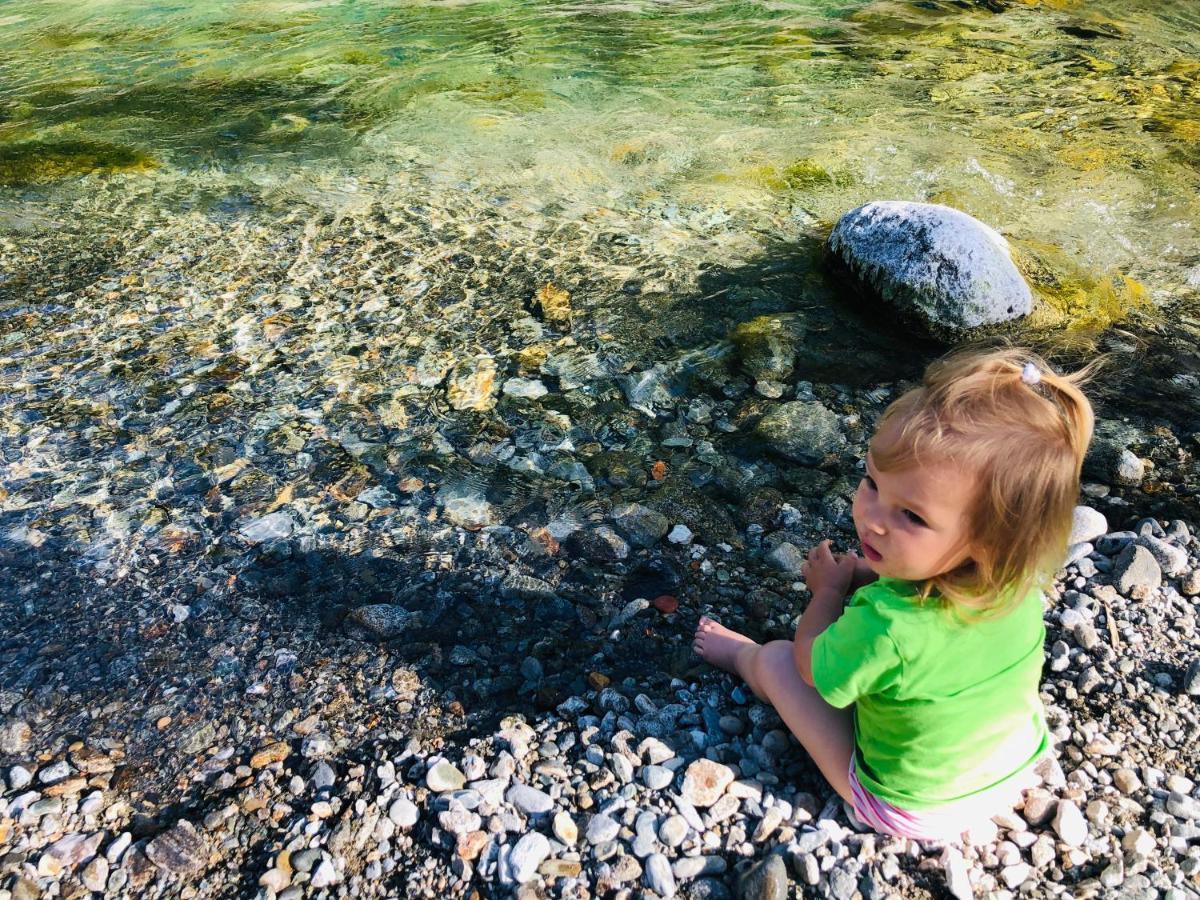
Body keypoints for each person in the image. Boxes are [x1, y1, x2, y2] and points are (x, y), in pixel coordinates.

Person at [693, 347, 1095, 840]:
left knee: (778, 660)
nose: (873, 518)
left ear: (987, 542)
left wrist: (828, 591)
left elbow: (811, 667)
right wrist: (870, 572)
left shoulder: (887, 625)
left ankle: (742, 659)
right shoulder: (1017, 582)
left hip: (915, 808)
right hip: (1013, 767)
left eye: (912, 515)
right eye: (871, 482)